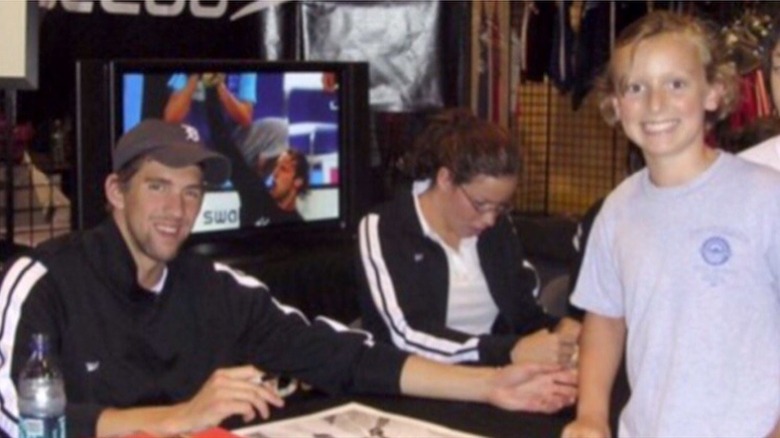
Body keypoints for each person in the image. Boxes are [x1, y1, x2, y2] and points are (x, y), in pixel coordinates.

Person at [0, 119, 578, 437]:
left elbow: (344, 355)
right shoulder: (44, 282)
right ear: (114, 192)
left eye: (192, 191)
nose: (177, 208)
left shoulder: (213, 287)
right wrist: (177, 418)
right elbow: (17, 423)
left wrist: (492, 383)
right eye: (158, 186)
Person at [562, 11, 780, 438]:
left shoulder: (765, 197)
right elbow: (604, 319)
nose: (655, 104)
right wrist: (590, 415)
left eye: (676, 84)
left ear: (714, 91)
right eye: (636, 88)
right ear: (615, 104)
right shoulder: (616, 211)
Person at [357, 108, 581, 367]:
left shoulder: (496, 229)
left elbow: (523, 316)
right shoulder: (387, 228)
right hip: (414, 387)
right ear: (445, 179)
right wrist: (508, 351)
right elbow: (406, 335)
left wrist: (559, 330)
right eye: (481, 204)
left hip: (496, 379)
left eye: (501, 207)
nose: (490, 219)